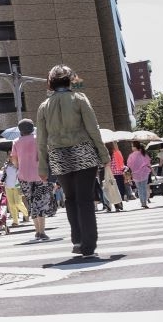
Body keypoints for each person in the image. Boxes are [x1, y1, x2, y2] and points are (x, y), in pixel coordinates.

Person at [36, 65, 110, 259]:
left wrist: (43, 166)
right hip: (83, 150)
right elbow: (93, 129)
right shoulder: (79, 99)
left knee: (70, 198)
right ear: (69, 80)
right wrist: (104, 155)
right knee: (85, 198)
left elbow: (41, 140)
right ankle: (89, 245)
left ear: (51, 82)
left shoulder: (44, 106)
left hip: (58, 155)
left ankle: (77, 240)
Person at [10, 119, 53, 241]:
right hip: (40, 174)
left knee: (31, 201)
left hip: (23, 176)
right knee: (41, 202)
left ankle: (37, 230)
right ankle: (42, 231)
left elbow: (14, 160)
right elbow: (45, 154)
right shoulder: (38, 139)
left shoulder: (16, 142)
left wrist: (20, 167)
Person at [1, 157, 28, 227]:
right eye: (9, 156)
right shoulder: (6, 165)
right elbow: (4, 175)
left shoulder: (18, 164)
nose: (10, 157)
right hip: (8, 186)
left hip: (17, 186)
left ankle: (26, 213)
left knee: (18, 203)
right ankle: (15, 221)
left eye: (12, 156)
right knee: (11, 204)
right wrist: (2, 181)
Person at [127, 141, 153, 209]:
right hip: (144, 173)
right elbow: (148, 163)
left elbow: (128, 165)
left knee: (139, 189)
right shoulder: (144, 154)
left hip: (135, 175)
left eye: (132, 146)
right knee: (144, 188)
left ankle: (142, 202)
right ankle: (144, 202)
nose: (132, 147)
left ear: (135, 147)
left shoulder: (131, 155)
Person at [107, 144, 126, 210]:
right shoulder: (117, 153)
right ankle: (119, 203)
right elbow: (121, 163)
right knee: (119, 190)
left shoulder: (107, 154)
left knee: (114, 190)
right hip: (118, 174)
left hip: (111, 175)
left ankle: (117, 205)